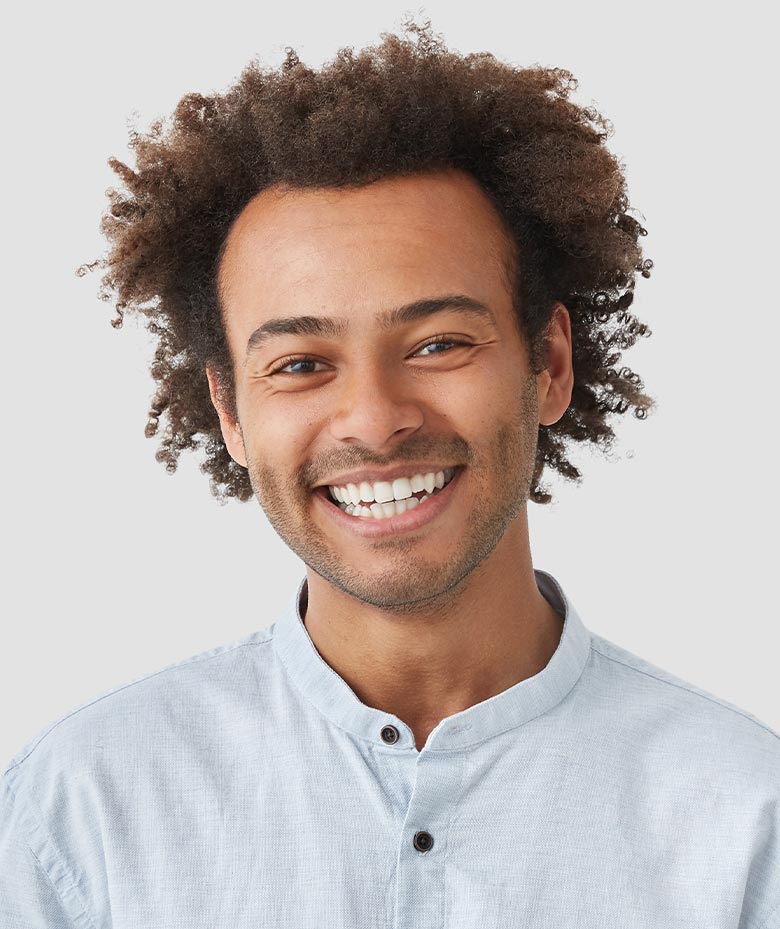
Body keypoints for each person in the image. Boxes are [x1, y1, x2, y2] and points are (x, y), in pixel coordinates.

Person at [2, 19, 778, 929]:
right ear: (229, 410)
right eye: (300, 364)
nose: (374, 419)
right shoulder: (80, 814)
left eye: (439, 343)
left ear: (549, 364)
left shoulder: (746, 819)